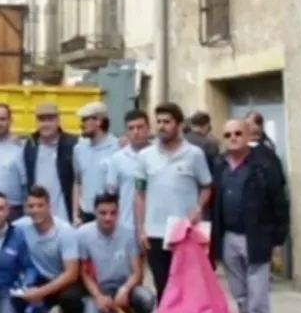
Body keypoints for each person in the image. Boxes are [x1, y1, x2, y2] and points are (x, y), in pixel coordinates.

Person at [210, 119, 290, 313]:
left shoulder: (264, 163)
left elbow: (280, 201)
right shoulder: (220, 165)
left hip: (256, 238)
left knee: (257, 299)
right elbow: (215, 202)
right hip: (229, 239)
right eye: (227, 134)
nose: (232, 138)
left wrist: (278, 239)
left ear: (247, 136)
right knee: (242, 298)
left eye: (237, 133)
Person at [135, 103, 212, 300]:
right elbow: (140, 194)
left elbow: (207, 186)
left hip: (184, 233)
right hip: (154, 233)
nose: (162, 126)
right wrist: (141, 229)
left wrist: (198, 208)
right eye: (159, 122)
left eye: (167, 122)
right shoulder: (145, 156)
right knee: (163, 287)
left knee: (186, 288)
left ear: (178, 125)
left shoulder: (194, 154)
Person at [78, 193, 156, 313]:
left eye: (113, 213)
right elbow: (84, 272)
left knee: (148, 299)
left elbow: (136, 271)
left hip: (124, 287)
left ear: (118, 213)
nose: (108, 218)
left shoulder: (128, 233)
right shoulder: (83, 234)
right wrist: (98, 296)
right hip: (99, 289)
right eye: (103, 213)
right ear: (95, 212)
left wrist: (125, 289)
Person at [13, 185, 84, 313]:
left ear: (49, 206)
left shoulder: (65, 231)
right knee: (13, 296)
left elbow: (72, 273)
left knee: (71, 298)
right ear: (25, 208)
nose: (35, 210)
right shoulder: (20, 226)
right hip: (39, 278)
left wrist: (41, 292)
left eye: (40, 205)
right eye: (31, 206)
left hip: (64, 280)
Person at [22, 102, 77, 223]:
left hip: (64, 215)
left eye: (50, 119)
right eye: (42, 120)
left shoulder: (73, 144)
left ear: (58, 121)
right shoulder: (30, 145)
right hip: (37, 213)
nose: (46, 124)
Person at [105, 109, 152, 232]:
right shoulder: (117, 158)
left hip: (154, 223)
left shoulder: (158, 155)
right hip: (127, 226)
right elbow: (111, 193)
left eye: (140, 127)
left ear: (148, 128)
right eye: (131, 128)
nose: (136, 132)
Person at [73, 102, 119, 226]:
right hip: (85, 215)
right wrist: (75, 214)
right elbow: (77, 182)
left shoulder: (117, 148)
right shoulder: (79, 148)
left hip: (108, 216)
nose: (81, 124)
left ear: (98, 121)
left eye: (85, 120)